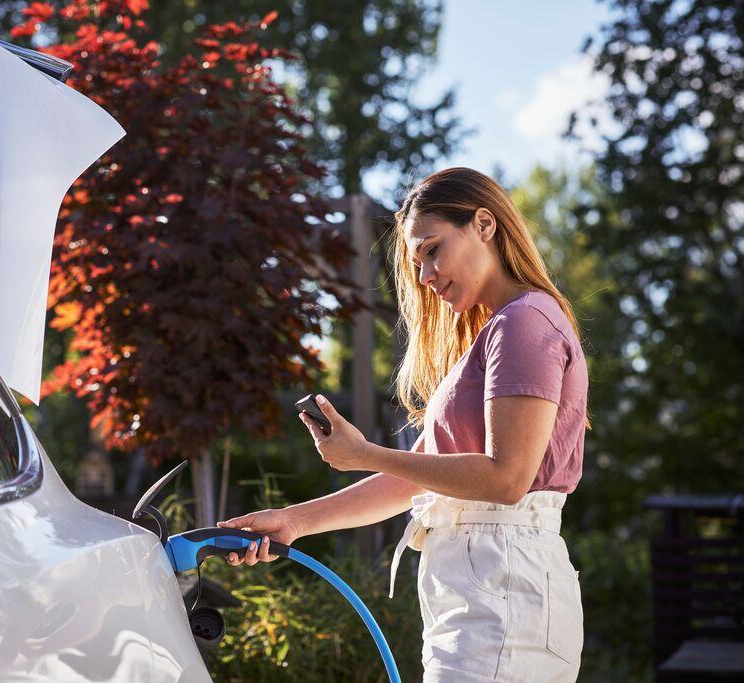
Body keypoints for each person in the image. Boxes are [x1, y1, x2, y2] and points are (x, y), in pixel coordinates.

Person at [217, 167, 588, 682]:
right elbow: (420, 480)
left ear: (485, 224)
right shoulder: (496, 332)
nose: (424, 276)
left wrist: (365, 453)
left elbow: (507, 479)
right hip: (484, 594)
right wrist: (296, 521)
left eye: (432, 250)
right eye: (416, 263)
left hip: (506, 596)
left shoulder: (524, 322)